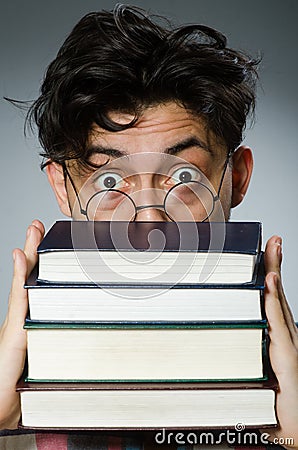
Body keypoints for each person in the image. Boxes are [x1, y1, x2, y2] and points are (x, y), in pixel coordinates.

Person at [0, 4, 297, 449]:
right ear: (64, 189)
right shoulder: (15, 405)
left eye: (183, 177)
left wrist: (288, 440)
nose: (149, 222)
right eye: (110, 180)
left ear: (235, 178)